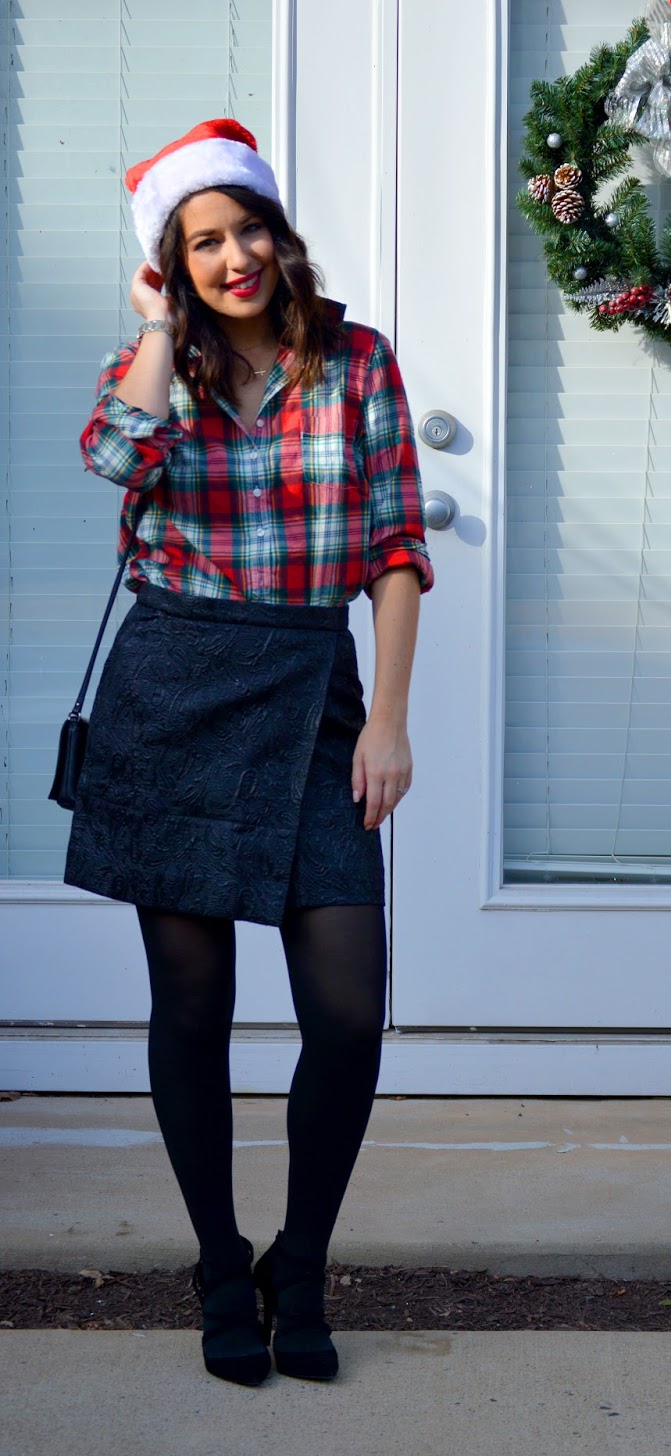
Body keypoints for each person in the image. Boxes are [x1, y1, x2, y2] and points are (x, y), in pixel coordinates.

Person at [64, 118, 433, 1386]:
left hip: (312, 689)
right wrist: (160, 332)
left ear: (282, 236)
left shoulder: (357, 363)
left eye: (248, 230)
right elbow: (113, 457)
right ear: (172, 262)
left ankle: (302, 1261)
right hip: (172, 691)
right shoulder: (156, 367)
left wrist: (385, 718)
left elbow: (393, 549)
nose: (234, 257)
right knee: (194, 1005)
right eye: (202, 242)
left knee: (347, 1010)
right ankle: (221, 1263)